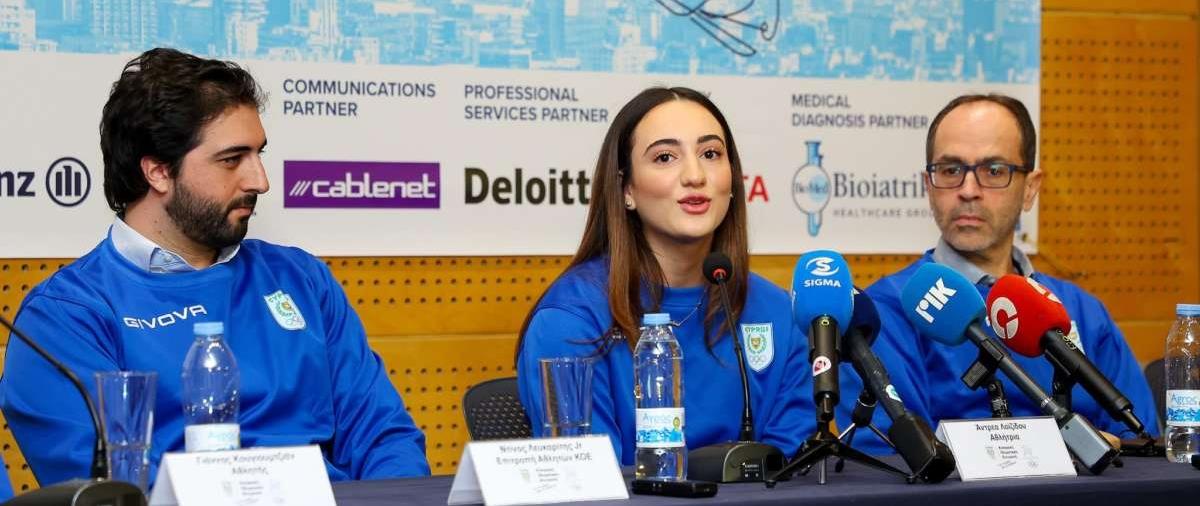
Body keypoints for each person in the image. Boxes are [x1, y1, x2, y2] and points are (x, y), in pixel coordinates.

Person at [0, 48, 429, 485]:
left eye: (258, 154)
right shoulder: (65, 316)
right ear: (158, 171)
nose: (260, 181)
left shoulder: (302, 279)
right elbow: (111, 489)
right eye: (231, 160)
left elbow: (385, 437)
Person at [515, 86, 815, 465]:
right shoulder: (570, 321)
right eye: (665, 157)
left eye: (710, 154)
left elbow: (794, 472)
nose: (695, 175)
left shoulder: (778, 312)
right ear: (626, 189)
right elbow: (592, 480)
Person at [848, 94, 1157, 453]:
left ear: (1030, 189)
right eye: (950, 170)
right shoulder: (886, 310)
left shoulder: (1084, 312)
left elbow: (1142, 445)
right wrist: (1054, 452)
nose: (968, 191)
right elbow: (899, 457)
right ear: (928, 185)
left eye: (994, 171)